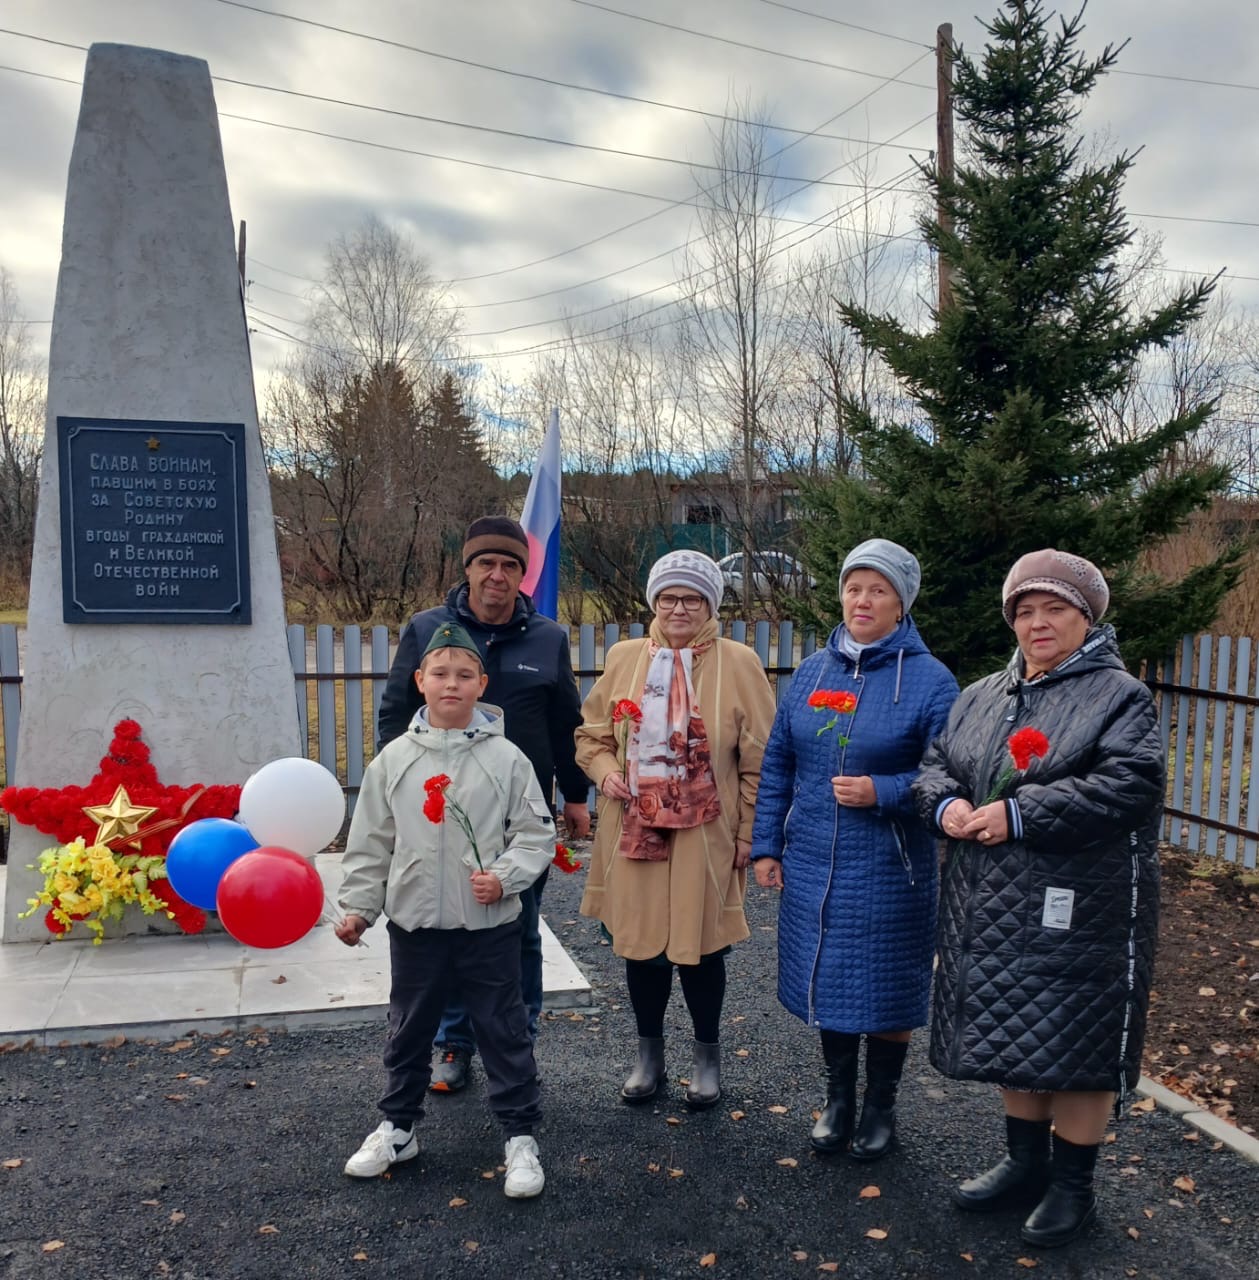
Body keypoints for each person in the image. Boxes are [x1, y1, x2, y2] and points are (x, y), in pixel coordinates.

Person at [913, 549, 1164, 1248]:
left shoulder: (1119, 696)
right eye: (1024, 610)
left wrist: (1017, 813)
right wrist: (948, 809)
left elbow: (1129, 784)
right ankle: (1024, 1165)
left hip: (1080, 906)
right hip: (990, 902)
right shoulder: (983, 694)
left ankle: (1072, 1188)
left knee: (1075, 1037)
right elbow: (935, 766)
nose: (1037, 622)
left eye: (1055, 608)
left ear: (1087, 618)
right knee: (1011, 1025)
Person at [751, 539, 959, 1161]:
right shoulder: (815, 673)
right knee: (834, 980)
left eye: (878, 590)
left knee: (890, 983)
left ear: (901, 603)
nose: (862, 600)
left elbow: (948, 774)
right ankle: (839, 1098)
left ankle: (881, 1106)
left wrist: (884, 790)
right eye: (853, 587)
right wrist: (767, 845)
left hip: (892, 864)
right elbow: (779, 763)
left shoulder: (929, 681)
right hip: (815, 857)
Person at [336, 620, 555, 1197]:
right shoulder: (393, 761)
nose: (451, 685)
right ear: (420, 681)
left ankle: (519, 1137)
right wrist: (360, 908)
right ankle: (399, 1127)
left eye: (464, 675)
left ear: (482, 684)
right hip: (415, 928)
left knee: (503, 1028)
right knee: (409, 1029)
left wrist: (504, 879)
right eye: (440, 674)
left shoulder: (508, 760)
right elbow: (371, 843)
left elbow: (536, 835)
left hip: (488, 927)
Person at [377, 515, 591, 1093]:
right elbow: (396, 715)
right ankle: (454, 1042)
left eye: (510, 565)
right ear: (468, 567)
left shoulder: (548, 637)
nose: (497, 574)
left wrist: (575, 795)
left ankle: (516, 1038)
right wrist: (393, 795)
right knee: (448, 928)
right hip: (438, 812)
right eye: (486, 563)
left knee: (518, 929)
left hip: (519, 814)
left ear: (523, 574)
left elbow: (565, 720)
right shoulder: (428, 629)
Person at [575, 549, 776, 1110]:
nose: (678, 608)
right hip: (634, 826)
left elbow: (760, 758)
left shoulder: (738, 664)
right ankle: (649, 1057)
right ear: (653, 603)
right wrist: (608, 772)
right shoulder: (626, 658)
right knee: (640, 949)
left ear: (710, 604)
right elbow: (590, 736)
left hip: (705, 832)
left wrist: (748, 835)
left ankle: (707, 1059)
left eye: (691, 598)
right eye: (668, 597)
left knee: (701, 949)